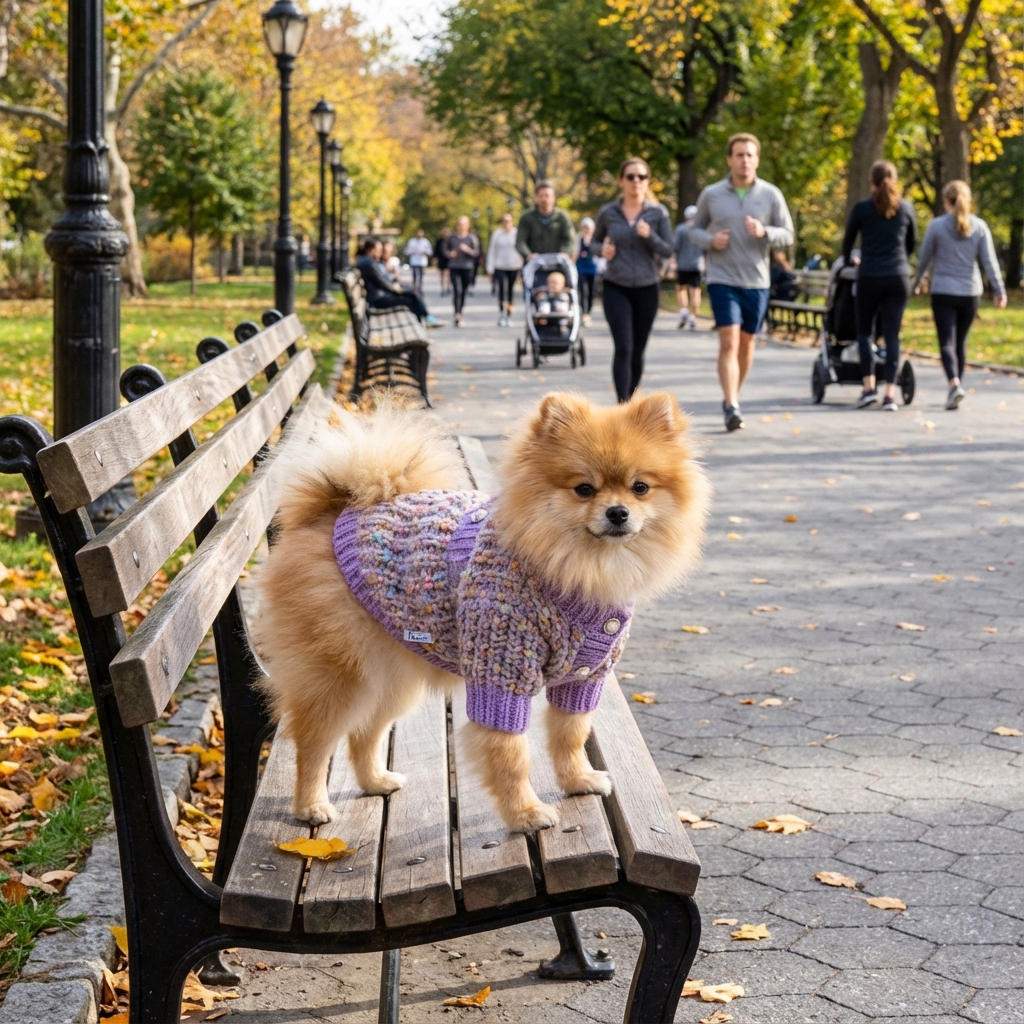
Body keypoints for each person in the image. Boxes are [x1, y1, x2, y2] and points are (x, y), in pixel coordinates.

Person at [690, 133, 794, 431]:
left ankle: (732, 395)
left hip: (757, 281)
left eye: (750, 155)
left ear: (757, 159)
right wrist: (711, 240)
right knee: (729, 342)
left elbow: (788, 233)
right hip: (722, 279)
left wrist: (766, 232)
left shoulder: (770, 194)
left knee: (747, 345)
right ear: (729, 159)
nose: (745, 160)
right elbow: (693, 231)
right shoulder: (711, 194)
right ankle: (732, 404)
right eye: (739, 155)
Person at [912, 180, 1007, 410]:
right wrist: (999, 290)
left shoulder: (936, 226)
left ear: (947, 201)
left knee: (946, 341)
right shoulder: (980, 226)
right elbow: (989, 262)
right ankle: (956, 388)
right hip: (970, 292)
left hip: (943, 290)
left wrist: (915, 283)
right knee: (960, 342)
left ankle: (954, 385)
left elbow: (924, 258)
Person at [592, 157, 674, 403]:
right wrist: (601, 250)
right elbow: (593, 243)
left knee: (638, 350)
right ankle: (622, 404)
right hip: (616, 286)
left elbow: (668, 249)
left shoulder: (657, 213)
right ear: (621, 181)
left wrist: (650, 237)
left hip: (647, 287)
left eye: (641, 177)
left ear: (648, 181)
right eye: (630, 176)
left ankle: (631, 400)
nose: (636, 181)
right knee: (624, 347)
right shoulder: (608, 212)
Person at [842, 160, 917, 411]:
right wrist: (899, 261)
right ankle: (889, 396)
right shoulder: (906, 209)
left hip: (870, 276)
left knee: (865, 332)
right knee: (892, 335)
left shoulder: (863, 208)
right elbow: (910, 244)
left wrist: (850, 260)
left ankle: (868, 388)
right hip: (898, 277)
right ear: (894, 180)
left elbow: (848, 241)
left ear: (871, 181)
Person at [356, 237, 440, 326]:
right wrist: (397, 290)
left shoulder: (366, 261)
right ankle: (423, 323)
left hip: (378, 296)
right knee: (411, 298)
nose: (380, 253)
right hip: (378, 299)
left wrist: (398, 288)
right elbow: (382, 282)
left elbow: (382, 280)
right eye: (378, 250)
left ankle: (424, 321)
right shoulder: (369, 262)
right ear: (371, 250)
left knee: (413, 292)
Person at [516, 181, 575, 260]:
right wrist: (528, 255)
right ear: (536, 198)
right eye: (541, 196)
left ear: (553, 197)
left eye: (547, 196)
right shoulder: (526, 217)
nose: (544, 199)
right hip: (534, 265)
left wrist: (565, 253)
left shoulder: (562, 217)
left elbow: (569, 239)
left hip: (557, 264)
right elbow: (520, 242)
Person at [486, 212, 522, 327]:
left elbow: (521, 251)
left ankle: (509, 313)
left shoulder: (516, 233)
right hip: (500, 266)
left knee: (511, 291)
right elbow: (492, 251)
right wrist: (490, 268)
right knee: (501, 290)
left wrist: (521, 269)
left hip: (514, 266)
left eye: (509, 221)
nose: (507, 223)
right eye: (504, 221)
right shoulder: (497, 234)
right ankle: (502, 312)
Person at [443, 216, 480, 327]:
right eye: (460, 224)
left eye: (464, 224)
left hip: (467, 268)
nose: (462, 226)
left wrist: (467, 250)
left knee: (464, 291)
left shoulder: (472, 238)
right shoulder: (452, 238)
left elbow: (477, 253)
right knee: (457, 290)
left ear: (467, 225)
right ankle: (457, 314)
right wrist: (450, 254)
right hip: (454, 267)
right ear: (457, 225)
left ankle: (461, 311)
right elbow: (444, 250)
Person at [673, 204, 704, 329]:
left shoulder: (681, 229)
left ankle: (684, 311)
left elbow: (675, 247)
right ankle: (693, 316)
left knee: (681, 289)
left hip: (683, 265)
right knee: (695, 291)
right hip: (698, 265)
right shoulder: (701, 231)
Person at [574, 217, 598, 323]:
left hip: (593, 270)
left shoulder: (596, 239)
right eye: (585, 227)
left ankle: (588, 312)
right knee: (583, 291)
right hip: (581, 269)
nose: (586, 230)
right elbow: (575, 253)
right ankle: (584, 313)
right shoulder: (579, 238)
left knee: (592, 292)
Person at [404, 229, 433, 294]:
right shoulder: (412, 241)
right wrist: (413, 251)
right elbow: (406, 251)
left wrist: (425, 252)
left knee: (421, 276)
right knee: (414, 276)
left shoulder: (425, 242)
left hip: (422, 262)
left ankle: (420, 289)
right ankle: (414, 289)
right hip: (414, 261)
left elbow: (430, 252)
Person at [434, 227, 451, 296]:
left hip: (448, 259)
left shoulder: (450, 241)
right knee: (441, 275)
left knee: (448, 274)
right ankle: (443, 288)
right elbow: (436, 250)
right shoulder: (439, 241)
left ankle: (448, 287)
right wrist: (435, 258)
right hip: (441, 259)